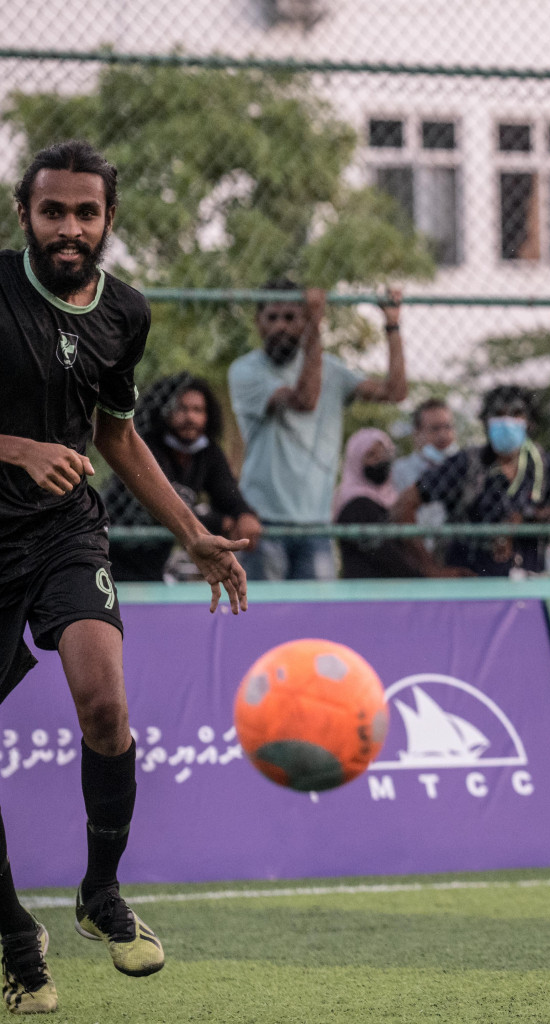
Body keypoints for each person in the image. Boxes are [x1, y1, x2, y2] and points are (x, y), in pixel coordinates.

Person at [0, 140, 248, 1013]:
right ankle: (12, 935)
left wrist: (198, 532)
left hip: (66, 532)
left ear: (108, 220)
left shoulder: (124, 314)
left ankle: (100, 892)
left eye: (85, 212)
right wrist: (18, 448)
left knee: (106, 705)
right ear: (25, 214)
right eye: (52, 211)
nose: (69, 227)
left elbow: (115, 435)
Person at [227, 281, 409, 581]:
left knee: (311, 624)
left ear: (302, 321)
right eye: (272, 318)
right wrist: (315, 324)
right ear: (258, 323)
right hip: (264, 522)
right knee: (260, 620)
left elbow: (395, 392)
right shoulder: (245, 371)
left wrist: (392, 324)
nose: (280, 327)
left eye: (290, 318)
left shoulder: (332, 370)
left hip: (317, 525)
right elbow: (305, 400)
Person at [393, 386, 550, 577]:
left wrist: (527, 517)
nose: (507, 422)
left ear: (529, 422)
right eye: (499, 415)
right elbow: (403, 507)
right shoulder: (466, 464)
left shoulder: (540, 465)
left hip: (528, 581)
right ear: (485, 421)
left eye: (516, 414)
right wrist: (430, 569)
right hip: (472, 581)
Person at [104, 374, 262, 581]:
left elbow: (228, 494)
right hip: (114, 550)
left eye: (198, 410)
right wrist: (222, 523)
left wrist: (244, 515)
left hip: (155, 559)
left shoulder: (207, 453)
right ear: (165, 411)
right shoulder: (146, 447)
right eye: (182, 408)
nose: (190, 418)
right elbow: (160, 507)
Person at [334, 428, 451, 579]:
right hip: (366, 592)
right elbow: (387, 555)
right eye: (371, 455)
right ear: (356, 460)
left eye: (384, 454)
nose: (380, 460)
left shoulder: (390, 499)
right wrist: (424, 577)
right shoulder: (356, 504)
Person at [391, 398, 457, 554]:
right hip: (415, 554)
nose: (443, 435)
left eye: (447, 427)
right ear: (417, 433)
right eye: (434, 429)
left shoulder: (464, 468)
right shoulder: (399, 470)